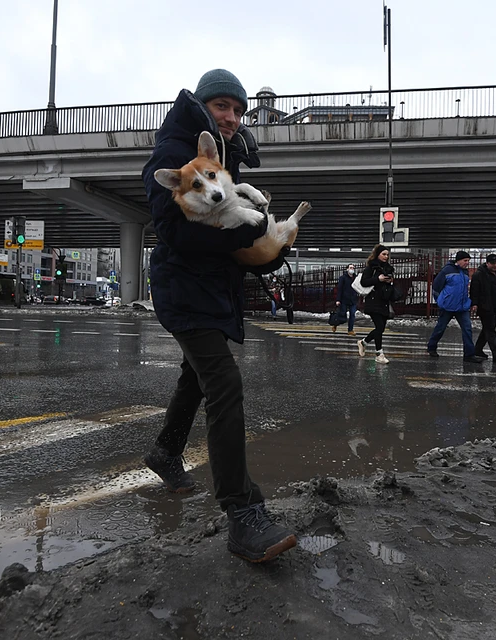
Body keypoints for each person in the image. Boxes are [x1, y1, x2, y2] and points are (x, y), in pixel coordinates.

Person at [141, 69, 296, 562]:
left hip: (211, 291)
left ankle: (166, 451)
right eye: (223, 106)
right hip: (183, 291)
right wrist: (242, 236)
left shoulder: (226, 158)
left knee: (197, 375)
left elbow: (235, 233)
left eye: (238, 110)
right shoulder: (174, 154)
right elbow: (177, 232)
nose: (232, 118)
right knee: (223, 383)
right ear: (204, 106)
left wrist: (270, 250)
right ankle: (241, 511)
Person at [427, 251, 483, 363]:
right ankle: (431, 347)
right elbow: (436, 287)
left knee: (467, 329)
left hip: (462, 307)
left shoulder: (465, 272)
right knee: (440, 328)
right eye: (465, 260)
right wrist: (440, 300)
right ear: (458, 260)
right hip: (447, 306)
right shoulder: (447, 271)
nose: (467, 263)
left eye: (468, 261)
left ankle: (469, 354)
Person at [356, 245, 396, 364]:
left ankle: (363, 342)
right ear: (378, 254)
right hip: (373, 301)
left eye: (387, 255)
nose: (386, 257)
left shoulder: (388, 268)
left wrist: (390, 281)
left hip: (384, 300)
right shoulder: (371, 267)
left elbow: (387, 286)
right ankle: (379, 354)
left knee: (381, 328)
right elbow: (364, 282)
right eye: (383, 254)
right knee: (379, 327)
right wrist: (378, 279)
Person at [334, 263, 359, 334]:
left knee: (352, 315)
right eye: (350, 268)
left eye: (353, 268)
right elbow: (340, 289)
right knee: (342, 315)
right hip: (344, 299)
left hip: (353, 299)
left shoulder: (355, 278)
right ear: (347, 269)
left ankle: (350, 330)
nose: (352, 269)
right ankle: (335, 324)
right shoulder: (343, 278)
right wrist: (338, 299)